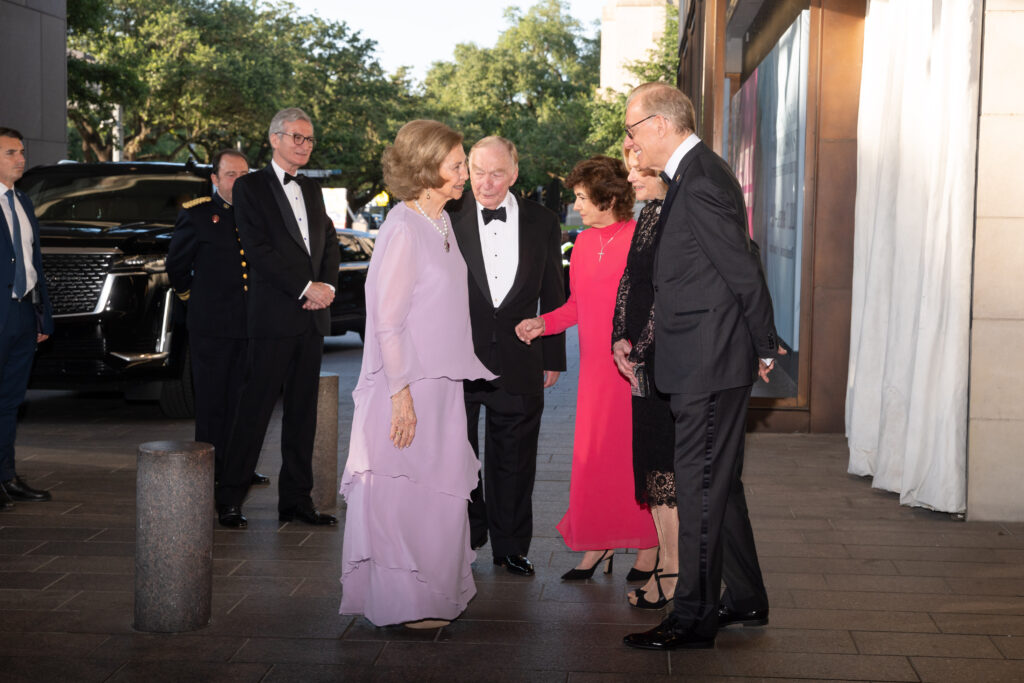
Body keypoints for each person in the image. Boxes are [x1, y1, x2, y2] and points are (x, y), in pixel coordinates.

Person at [621, 83, 781, 651]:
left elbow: (743, 268)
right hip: (706, 356)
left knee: (700, 489)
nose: (631, 144)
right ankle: (745, 596)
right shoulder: (697, 175)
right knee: (720, 484)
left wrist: (764, 345)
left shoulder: (702, 179)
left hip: (709, 361)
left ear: (661, 124)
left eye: (632, 130)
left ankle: (692, 618)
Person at [340, 119, 494, 628]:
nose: (464, 176)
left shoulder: (442, 221)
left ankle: (434, 593)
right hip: (408, 386)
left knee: (440, 489)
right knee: (404, 492)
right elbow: (387, 321)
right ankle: (404, 602)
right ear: (427, 170)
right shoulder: (403, 228)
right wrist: (400, 394)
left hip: (443, 385)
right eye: (456, 166)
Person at [516, 155, 657, 580]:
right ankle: (598, 544)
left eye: (582, 197)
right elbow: (576, 305)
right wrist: (543, 323)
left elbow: (652, 301)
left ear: (609, 198)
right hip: (596, 373)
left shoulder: (640, 237)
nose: (576, 205)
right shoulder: (579, 243)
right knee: (593, 460)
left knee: (633, 458)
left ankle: (648, 547)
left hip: (631, 366)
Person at [214, 108, 340, 528]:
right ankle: (229, 498)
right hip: (273, 318)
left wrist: (328, 288)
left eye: (309, 139)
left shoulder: (314, 190)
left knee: (304, 416)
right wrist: (306, 288)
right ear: (274, 139)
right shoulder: (250, 187)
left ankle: (297, 501)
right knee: (255, 410)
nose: (304, 145)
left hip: (311, 319)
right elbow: (257, 249)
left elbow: (329, 244)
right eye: (297, 138)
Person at [447, 136, 566, 576]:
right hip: (456, 357)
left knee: (515, 458)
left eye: (497, 173)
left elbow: (555, 289)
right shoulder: (448, 213)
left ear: (514, 174)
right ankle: (467, 531)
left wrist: (553, 354)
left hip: (520, 360)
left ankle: (511, 545)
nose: (486, 182)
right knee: (457, 454)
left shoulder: (542, 220)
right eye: (477, 171)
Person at [166, 149, 269, 487]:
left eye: (244, 174)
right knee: (213, 402)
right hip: (211, 325)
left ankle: (239, 466)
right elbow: (177, 267)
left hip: (251, 325)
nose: (238, 181)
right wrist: (194, 300)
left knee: (244, 401)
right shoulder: (197, 215)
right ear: (214, 179)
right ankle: (211, 468)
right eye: (230, 175)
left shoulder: (258, 215)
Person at [611, 145, 679, 609]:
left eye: (637, 170)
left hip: (664, 364)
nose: (630, 179)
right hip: (641, 362)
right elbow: (631, 283)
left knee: (665, 470)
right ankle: (667, 565)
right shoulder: (650, 213)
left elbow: (665, 292)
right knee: (651, 469)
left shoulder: (675, 214)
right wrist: (620, 334)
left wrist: (642, 350)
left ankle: (673, 574)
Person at [0, 127, 54, 509]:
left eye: (21, 151)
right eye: (10, 153)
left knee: (10, 402)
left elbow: (34, 263)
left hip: (22, 314)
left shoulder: (23, 201)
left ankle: (6, 476)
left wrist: (42, 316)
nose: (20, 159)